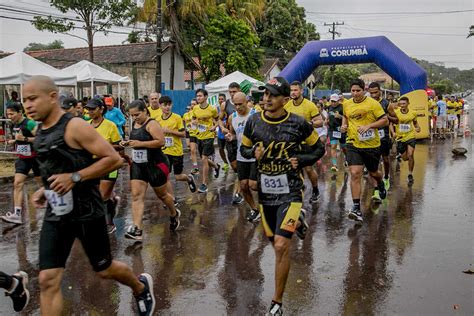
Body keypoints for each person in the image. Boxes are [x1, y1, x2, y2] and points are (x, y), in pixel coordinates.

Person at [23, 76, 155, 316]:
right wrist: (46, 189)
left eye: (32, 99)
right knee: (47, 279)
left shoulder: (75, 126)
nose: (28, 105)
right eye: (24, 100)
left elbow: (113, 159)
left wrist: (74, 177)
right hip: (57, 212)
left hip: (87, 211)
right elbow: (56, 167)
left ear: (52, 98)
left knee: (104, 269)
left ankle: (140, 286)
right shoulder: (40, 129)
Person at [240, 77, 325, 315]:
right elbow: (243, 148)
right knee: (272, 240)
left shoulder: (299, 123)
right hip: (266, 195)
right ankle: (299, 220)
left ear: (286, 100)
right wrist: (253, 152)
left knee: (280, 245)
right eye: (265, 94)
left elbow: (319, 148)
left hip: (291, 191)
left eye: (273, 95)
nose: (266, 99)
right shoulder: (253, 121)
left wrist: (303, 159)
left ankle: (277, 302)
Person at [122, 100, 181, 240]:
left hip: (155, 165)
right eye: (132, 115)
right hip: (138, 164)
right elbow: (135, 142)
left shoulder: (152, 123)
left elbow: (160, 141)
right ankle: (137, 229)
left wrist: (139, 143)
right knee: (136, 195)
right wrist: (126, 143)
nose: (134, 117)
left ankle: (174, 213)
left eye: (137, 114)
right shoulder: (134, 124)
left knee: (162, 195)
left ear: (145, 111)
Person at [341, 79, 388, 222]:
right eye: (353, 91)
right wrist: (344, 125)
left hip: (371, 145)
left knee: (374, 172)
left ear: (364, 90)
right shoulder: (347, 104)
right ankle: (356, 208)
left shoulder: (373, 104)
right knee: (355, 173)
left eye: (358, 91)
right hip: (353, 143)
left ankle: (380, 183)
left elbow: (385, 120)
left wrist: (369, 126)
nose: (355, 94)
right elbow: (345, 116)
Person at [85, 98, 122, 234]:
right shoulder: (86, 125)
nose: (89, 112)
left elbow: (119, 146)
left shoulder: (110, 125)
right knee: (96, 196)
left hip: (109, 165)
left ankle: (109, 223)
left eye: (93, 109)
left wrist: (103, 147)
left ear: (101, 109)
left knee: (103, 196)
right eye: (88, 109)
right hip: (93, 166)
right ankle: (111, 203)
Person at [1, 102, 41, 224]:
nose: (10, 116)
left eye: (12, 114)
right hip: (23, 158)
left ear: (20, 112)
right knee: (17, 183)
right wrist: (14, 141)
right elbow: (18, 137)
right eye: (8, 114)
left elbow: (41, 138)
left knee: (43, 185)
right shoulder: (14, 124)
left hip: (36, 158)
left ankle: (57, 209)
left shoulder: (29, 123)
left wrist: (24, 139)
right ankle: (17, 214)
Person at [284, 81, 323, 203]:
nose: (293, 93)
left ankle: (315, 190)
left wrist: (308, 124)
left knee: (308, 169)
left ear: (301, 91)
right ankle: (298, 188)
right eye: (291, 90)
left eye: (295, 90)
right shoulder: (287, 106)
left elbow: (320, 122)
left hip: (307, 142)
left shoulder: (310, 105)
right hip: (293, 143)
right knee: (293, 168)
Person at [157, 95, 197, 202]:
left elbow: (183, 134)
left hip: (176, 151)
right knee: (166, 176)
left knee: (178, 176)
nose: (167, 107)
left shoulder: (177, 118)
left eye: (169, 105)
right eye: (165, 105)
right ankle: (172, 199)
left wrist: (170, 131)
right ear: (160, 106)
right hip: (164, 151)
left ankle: (189, 179)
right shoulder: (157, 120)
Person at [226, 92, 259, 221]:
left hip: (255, 154)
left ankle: (269, 199)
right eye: (236, 104)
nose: (238, 107)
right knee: (244, 186)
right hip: (241, 155)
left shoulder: (255, 115)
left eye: (241, 104)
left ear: (247, 102)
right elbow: (233, 133)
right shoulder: (232, 117)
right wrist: (231, 137)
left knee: (253, 185)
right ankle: (254, 209)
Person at [192, 89, 220, 193]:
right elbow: (193, 119)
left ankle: (204, 184)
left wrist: (215, 127)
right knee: (203, 158)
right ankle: (216, 166)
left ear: (206, 97)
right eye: (197, 96)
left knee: (204, 159)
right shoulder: (195, 108)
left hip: (209, 136)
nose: (198, 98)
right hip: (199, 136)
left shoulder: (212, 109)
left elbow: (218, 120)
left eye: (200, 96)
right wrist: (193, 122)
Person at [218, 82, 243, 203]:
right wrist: (222, 128)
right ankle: (243, 181)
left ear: (239, 90)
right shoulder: (225, 104)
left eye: (234, 91)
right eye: (230, 92)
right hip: (230, 137)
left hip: (242, 139)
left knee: (241, 167)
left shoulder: (245, 103)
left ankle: (239, 192)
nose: (232, 94)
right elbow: (219, 119)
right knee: (234, 166)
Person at [389, 97, 420, 185]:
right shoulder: (396, 113)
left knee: (410, 155)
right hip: (400, 138)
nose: (402, 105)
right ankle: (401, 156)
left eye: (404, 104)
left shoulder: (413, 113)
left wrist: (417, 127)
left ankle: (410, 174)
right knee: (405, 158)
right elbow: (391, 124)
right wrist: (393, 132)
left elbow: (415, 123)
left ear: (408, 103)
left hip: (410, 136)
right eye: (400, 104)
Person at [368, 82, 393, 190]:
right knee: (374, 162)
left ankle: (386, 177)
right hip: (371, 136)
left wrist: (386, 117)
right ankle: (377, 187)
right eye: (371, 93)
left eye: (375, 92)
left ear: (380, 91)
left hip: (383, 136)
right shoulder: (366, 103)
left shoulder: (386, 104)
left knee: (386, 159)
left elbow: (396, 120)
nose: (373, 95)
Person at [327, 94, 346, 172]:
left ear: (339, 100)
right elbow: (329, 115)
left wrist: (340, 117)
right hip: (332, 130)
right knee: (333, 146)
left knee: (344, 147)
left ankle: (346, 158)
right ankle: (334, 165)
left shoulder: (343, 107)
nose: (333, 103)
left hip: (341, 130)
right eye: (332, 101)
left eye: (335, 101)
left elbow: (347, 117)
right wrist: (326, 120)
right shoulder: (329, 107)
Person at [183, 100, 199, 174]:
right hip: (191, 132)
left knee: (203, 155)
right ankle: (195, 168)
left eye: (194, 104)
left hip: (200, 133)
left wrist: (196, 122)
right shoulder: (186, 114)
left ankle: (212, 162)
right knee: (192, 149)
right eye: (192, 104)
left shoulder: (199, 112)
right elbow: (184, 121)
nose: (192, 105)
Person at [217, 93, 231, 173]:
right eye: (219, 99)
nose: (220, 100)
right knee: (220, 149)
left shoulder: (228, 108)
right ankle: (225, 163)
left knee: (229, 150)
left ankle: (232, 162)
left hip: (228, 132)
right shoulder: (216, 109)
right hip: (220, 132)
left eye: (222, 99)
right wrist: (216, 126)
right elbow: (216, 119)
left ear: (225, 100)